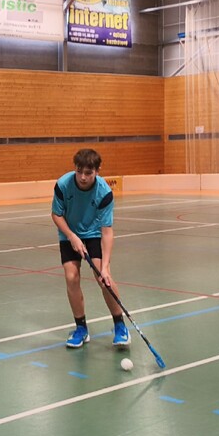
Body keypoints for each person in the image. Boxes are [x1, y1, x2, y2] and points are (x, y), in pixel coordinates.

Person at [51, 148, 128, 349]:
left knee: (104, 279)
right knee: (71, 277)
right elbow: (56, 214)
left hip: (94, 233)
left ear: (97, 171)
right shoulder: (63, 185)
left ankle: (120, 325)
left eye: (88, 173)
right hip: (69, 232)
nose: (83, 177)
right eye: (79, 172)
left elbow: (107, 232)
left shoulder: (104, 192)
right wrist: (71, 236)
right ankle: (81, 328)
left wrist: (105, 267)